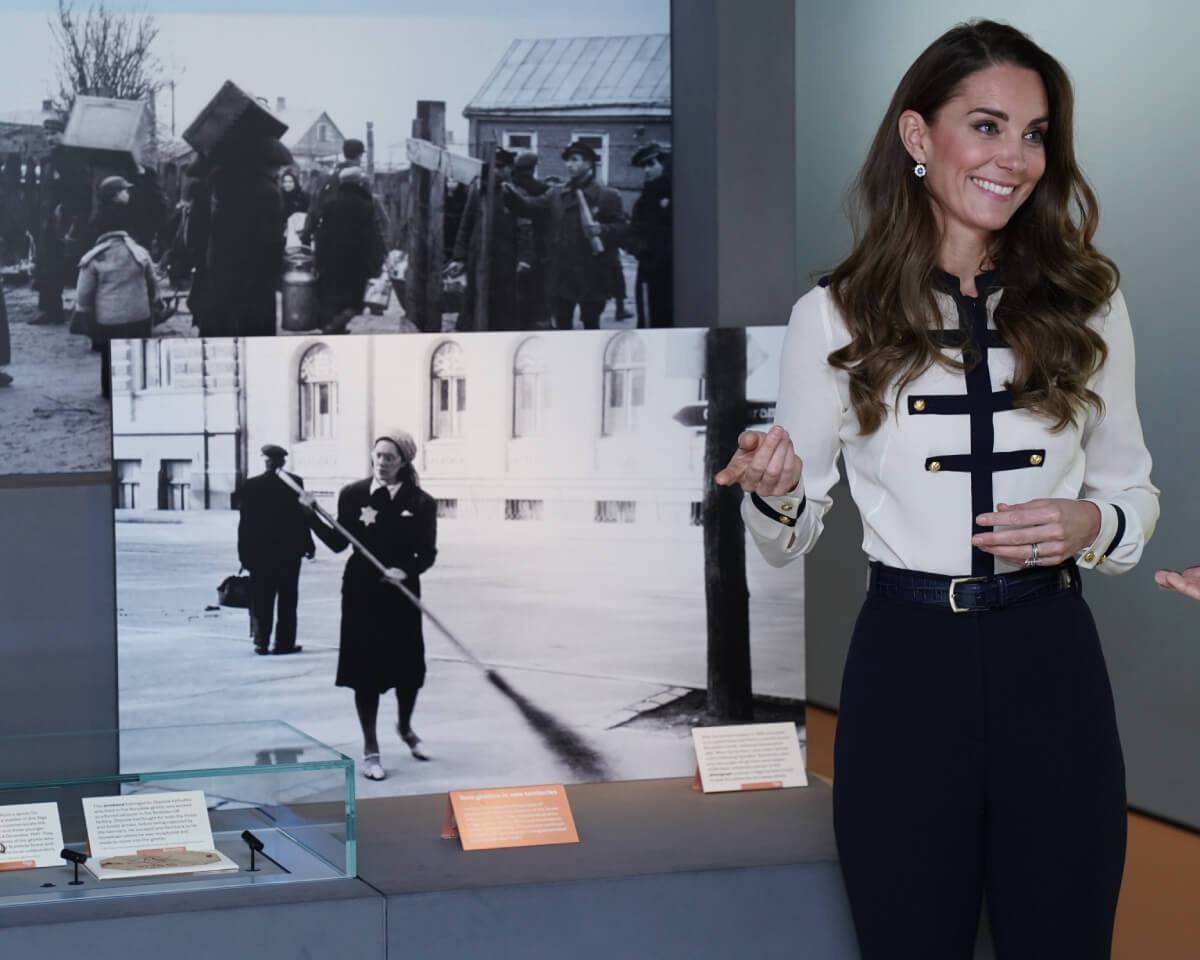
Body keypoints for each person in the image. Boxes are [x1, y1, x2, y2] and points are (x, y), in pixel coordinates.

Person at [716, 20, 1157, 958]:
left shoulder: (1091, 300)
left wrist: (1092, 521)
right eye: (987, 126)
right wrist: (776, 487)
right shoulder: (831, 313)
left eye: (1035, 134)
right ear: (919, 139)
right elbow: (788, 533)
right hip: (908, 671)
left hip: (1054, 665)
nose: (1016, 158)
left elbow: (1133, 495)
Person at [304, 429, 437, 781]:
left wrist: (404, 570)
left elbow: (427, 554)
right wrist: (311, 515)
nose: (381, 463)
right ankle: (370, 749)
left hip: (402, 593)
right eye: (377, 456)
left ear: (404, 462)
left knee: (408, 671)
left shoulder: (422, 502)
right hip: (362, 592)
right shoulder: (353, 494)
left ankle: (405, 728)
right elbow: (336, 543)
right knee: (366, 672)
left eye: (389, 458)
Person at [502, 140, 626, 330]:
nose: (569, 165)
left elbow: (622, 228)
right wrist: (510, 195)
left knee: (591, 328)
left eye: (575, 160)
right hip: (562, 276)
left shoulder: (607, 196)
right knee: (562, 327)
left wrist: (602, 229)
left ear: (589, 163)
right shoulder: (557, 194)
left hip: (592, 275)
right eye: (568, 161)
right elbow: (529, 207)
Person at [71, 176, 160, 399]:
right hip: (138, 314)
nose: (128, 194)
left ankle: (109, 390)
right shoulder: (128, 235)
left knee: (109, 355)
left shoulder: (96, 243)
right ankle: (135, 386)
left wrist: (84, 311)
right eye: (124, 190)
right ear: (114, 193)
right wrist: (154, 298)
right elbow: (152, 280)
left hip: (108, 315)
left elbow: (85, 288)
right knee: (135, 352)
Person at [201, 137, 290, 337]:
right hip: (257, 271)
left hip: (222, 265)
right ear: (269, 165)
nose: (279, 172)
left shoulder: (224, 183)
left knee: (227, 320)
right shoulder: (268, 192)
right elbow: (271, 238)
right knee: (256, 324)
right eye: (278, 167)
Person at [237, 444, 316, 656]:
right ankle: (284, 643)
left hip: (261, 554)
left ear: (266, 460)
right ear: (282, 461)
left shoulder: (251, 485)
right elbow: (302, 518)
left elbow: (245, 524)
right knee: (288, 599)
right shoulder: (295, 483)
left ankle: (261, 643)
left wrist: (244, 555)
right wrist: (309, 545)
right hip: (289, 552)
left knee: (262, 598)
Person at [446, 148, 526, 331]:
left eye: (500, 167)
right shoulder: (477, 191)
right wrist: (460, 257)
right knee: (476, 299)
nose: (495, 172)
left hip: (504, 258)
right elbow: (465, 225)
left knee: (502, 305)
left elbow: (524, 228)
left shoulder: (513, 193)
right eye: (492, 168)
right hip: (478, 257)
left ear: (508, 169)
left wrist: (523, 257)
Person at [313, 166, 386, 334]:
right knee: (353, 301)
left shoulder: (329, 202)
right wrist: (377, 259)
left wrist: (318, 258)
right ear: (359, 182)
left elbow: (321, 233)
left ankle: (335, 325)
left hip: (331, 259)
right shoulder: (365, 205)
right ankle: (337, 325)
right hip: (356, 261)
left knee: (334, 297)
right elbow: (371, 235)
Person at [627, 142, 673, 328]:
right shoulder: (645, 198)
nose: (646, 170)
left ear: (664, 164)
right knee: (648, 318)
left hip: (669, 271)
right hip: (647, 269)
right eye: (644, 166)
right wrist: (634, 245)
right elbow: (636, 229)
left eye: (651, 164)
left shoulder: (675, 193)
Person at [510, 151, 551, 328]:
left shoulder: (509, 186)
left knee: (517, 289)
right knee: (535, 287)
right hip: (538, 245)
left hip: (512, 245)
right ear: (533, 168)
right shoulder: (541, 189)